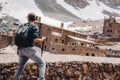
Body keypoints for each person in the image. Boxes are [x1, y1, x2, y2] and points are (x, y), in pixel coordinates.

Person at [13, 12, 46, 80]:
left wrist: (18, 49)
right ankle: (41, 79)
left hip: (21, 50)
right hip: (28, 50)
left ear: (27, 18)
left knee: (20, 67)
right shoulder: (34, 26)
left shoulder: (22, 26)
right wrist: (42, 39)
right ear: (35, 19)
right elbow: (35, 40)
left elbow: (19, 37)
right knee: (42, 63)